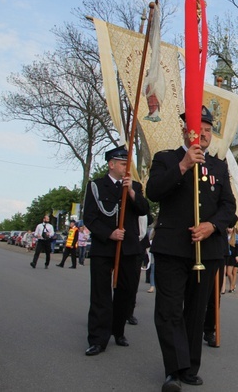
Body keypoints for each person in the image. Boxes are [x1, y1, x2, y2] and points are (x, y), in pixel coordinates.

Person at [146, 107, 236, 391]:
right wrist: (183, 165)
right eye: (201, 130)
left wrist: (212, 226)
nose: (206, 135)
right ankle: (174, 369)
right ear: (187, 132)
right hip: (172, 248)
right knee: (169, 310)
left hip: (207, 250)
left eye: (210, 130)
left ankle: (189, 367)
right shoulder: (167, 159)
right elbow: (153, 191)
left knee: (196, 313)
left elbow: (229, 207)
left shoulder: (219, 166)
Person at [83, 145, 150, 357]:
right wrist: (109, 234)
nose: (126, 167)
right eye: (122, 164)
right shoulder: (96, 186)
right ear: (111, 164)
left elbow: (144, 210)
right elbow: (90, 218)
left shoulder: (135, 187)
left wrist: (130, 192)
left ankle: (118, 330)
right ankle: (97, 338)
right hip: (104, 247)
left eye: (127, 163)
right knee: (100, 295)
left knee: (126, 292)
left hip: (128, 248)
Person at [224, 225, 238, 293]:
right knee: (228, 273)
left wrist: (237, 255)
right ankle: (232, 284)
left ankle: (232, 286)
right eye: (229, 228)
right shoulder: (225, 235)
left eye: (231, 228)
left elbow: (237, 247)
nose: (230, 229)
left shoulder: (236, 236)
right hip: (227, 255)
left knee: (230, 273)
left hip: (233, 256)